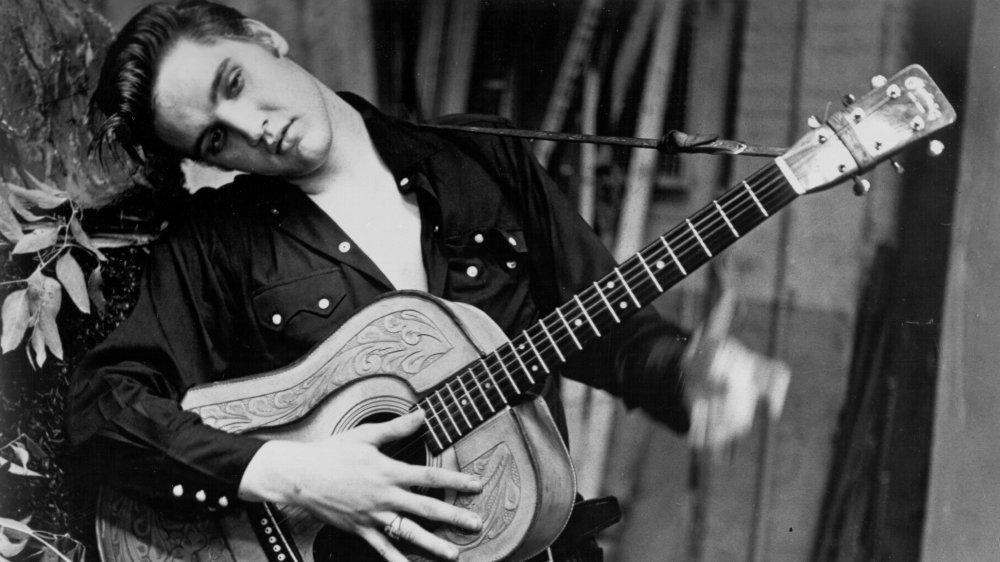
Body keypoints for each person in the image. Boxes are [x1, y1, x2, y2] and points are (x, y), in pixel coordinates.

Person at [68, 2, 789, 561]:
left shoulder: (478, 157)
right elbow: (103, 410)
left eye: (234, 83)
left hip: (531, 542)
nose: (253, 127)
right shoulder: (215, 243)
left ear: (262, 37)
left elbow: (602, 329)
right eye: (216, 140)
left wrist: (691, 371)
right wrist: (290, 474)